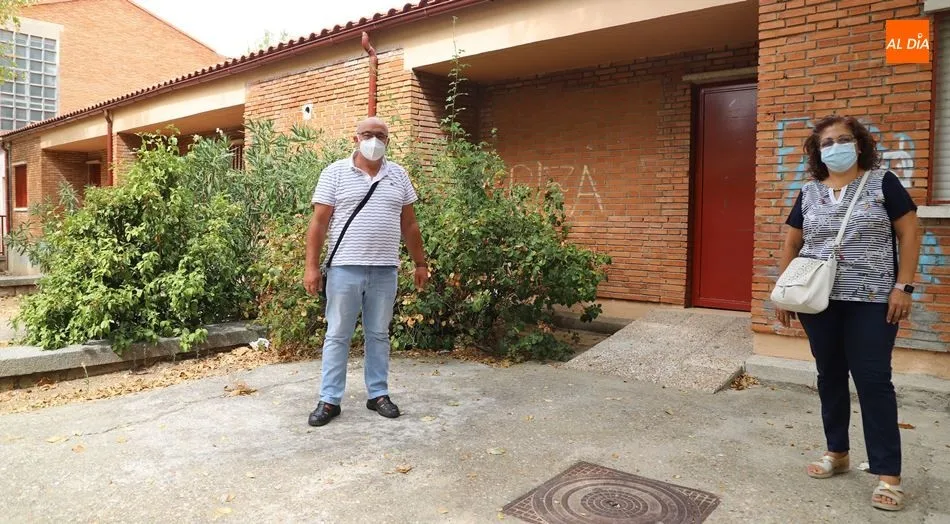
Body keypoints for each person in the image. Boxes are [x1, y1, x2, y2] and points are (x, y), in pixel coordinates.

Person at [775, 115, 921, 511]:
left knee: (873, 381)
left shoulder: (883, 182)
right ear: (817, 151)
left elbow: (910, 232)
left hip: (873, 300)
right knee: (831, 375)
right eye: (827, 142)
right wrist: (784, 293)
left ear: (858, 144)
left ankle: (888, 475)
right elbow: (792, 243)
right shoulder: (809, 192)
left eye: (843, 139)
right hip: (818, 301)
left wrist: (903, 286)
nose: (835, 147)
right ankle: (837, 451)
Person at [303, 116, 429, 427]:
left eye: (380, 135)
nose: (374, 140)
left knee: (378, 334)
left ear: (388, 141)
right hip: (344, 269)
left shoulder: (398, 175)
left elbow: (409, 223)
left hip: (385, 270)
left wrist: (420, 263)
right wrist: (311, 267)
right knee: (337, 334)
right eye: (367, 134)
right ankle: (330, 400)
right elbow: (318, 224)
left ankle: (378, 394)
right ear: (356, 138)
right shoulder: (334, 173)